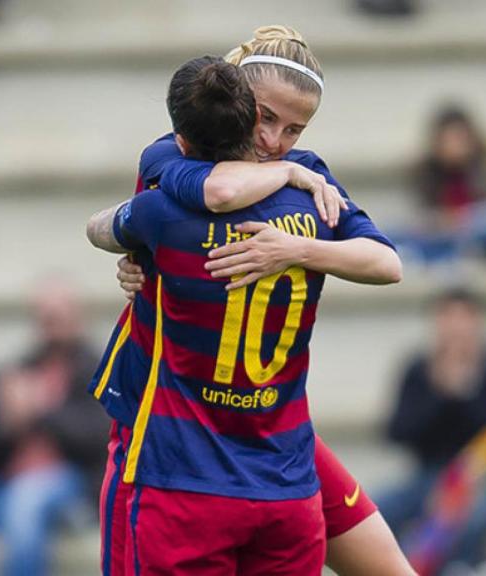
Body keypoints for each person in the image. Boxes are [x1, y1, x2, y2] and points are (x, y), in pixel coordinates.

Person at [107, 26, 414, 576]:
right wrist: (291, 172)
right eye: (266, 118)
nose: (274, 140)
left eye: (294, 130)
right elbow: (220, 191)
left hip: (266, 439)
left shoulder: (305, 177)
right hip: (201, 435)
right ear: (236, 98)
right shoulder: (177, 157)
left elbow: (388, 263)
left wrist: (297, 249)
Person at [377, 288, 486, 569]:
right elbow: (396, 432)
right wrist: (440, 395)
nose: (456, 329)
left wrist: (469, 394)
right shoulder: (419, 370)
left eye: (464, 319)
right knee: (375, 512)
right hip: (429, 475)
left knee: (473, 518)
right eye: (447, 319)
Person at [0, 277, 111, 576]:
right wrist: (7, 417)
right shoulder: (22, 365)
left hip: (71, 481)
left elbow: (98, 435)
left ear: (77, 316)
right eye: (45, 316)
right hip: (9, 479)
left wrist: (41, 410)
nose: (51, 324)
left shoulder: (95, 366)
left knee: (26, 500)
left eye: (58, 315)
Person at [394, 104, 486, 265]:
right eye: (448, 140)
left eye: (459, 139)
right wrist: (442, 221)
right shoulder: (426, 171)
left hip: (477, 232)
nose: (454, 146)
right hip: (440, 232)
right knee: (394, 231)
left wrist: (460, 219)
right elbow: (421, 215)